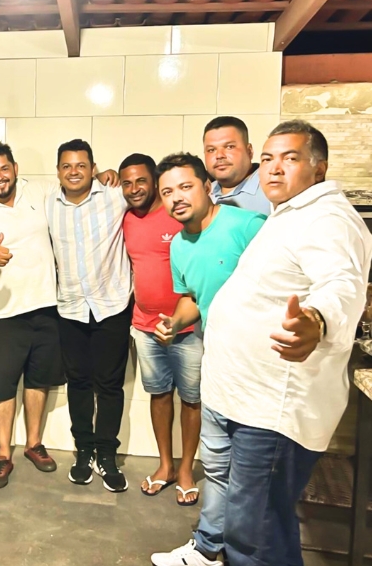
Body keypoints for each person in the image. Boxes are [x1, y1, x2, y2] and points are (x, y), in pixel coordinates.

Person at [202, 121, 372, 566]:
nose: (274, 169)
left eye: (290, 158)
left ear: (319, 168)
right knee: (259, 524)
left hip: (273, 410)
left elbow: (341, 285)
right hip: (251, 400)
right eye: (268, 159)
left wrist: (317, 319)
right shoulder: (291, 213)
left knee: (256, 536)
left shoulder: (327, 219)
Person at [149, 153, 266, 566]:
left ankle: (246, 554)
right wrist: (174, 322)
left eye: (185, 187)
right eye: (167, 192)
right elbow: (192, 298)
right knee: (216, 467)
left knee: (254, 478)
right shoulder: (180, 244)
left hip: (260, 370)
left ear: (206, 186)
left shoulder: (248, 226)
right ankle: (207, 547)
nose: (176, 198)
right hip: (216, 362)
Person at [0, 141, 65, 490]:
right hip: (3, 313)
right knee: (2, 385)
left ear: (15, 168)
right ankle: (3, 453)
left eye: (4, 168)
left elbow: (74, 186)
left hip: (46, 305)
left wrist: (105, 176)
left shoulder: (40, 191)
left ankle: (34, 444)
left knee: (38, 380)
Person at [46, 140, 132, 492]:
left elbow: (148, 189)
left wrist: (117, 174)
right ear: (58, 171)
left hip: (112, 305)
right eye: (67, 166)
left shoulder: (115, 195)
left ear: (93, 168)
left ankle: (106, 454)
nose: (74, 172)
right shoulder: (49, 203)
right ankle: (83, 451)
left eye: (81, 165)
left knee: (110, 386)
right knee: (78, 384)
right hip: (70, 307)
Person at [119, 153, 203, 506]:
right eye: (126, 183)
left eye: (141, 180)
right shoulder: (125, 218)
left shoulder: (177, 214)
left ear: (155, 182)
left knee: (192, 399)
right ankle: (166, 466)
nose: (134, 189)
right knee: (159, 395)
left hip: (189, 327)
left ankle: (186, 470)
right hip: (145, 327)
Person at [203, 116, 270, 215]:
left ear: (249, 151)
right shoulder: (201, 194)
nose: (219, 155)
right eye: (211, 150)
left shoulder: (272, 187)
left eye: (229, 147)